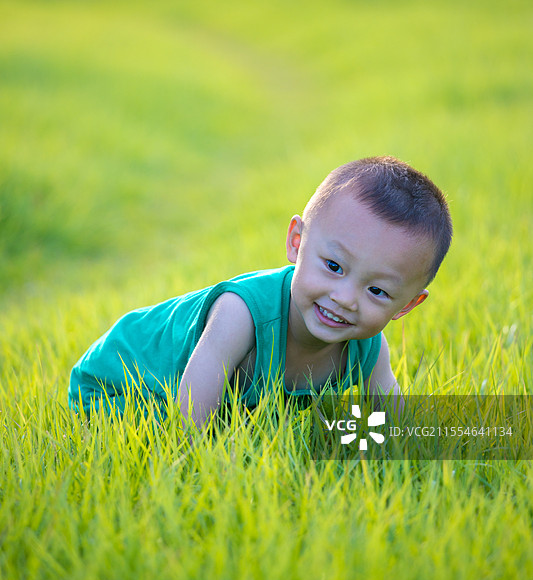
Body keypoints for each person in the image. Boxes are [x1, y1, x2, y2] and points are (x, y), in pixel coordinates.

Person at [68, 156, 452, 428]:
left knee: (239, 427)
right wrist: (207, 466)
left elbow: (394, 426)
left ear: (407, 305)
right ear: (296, 243)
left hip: (182, 395)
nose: (345, 298)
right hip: (120, 386)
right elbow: (188, 415)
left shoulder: (368, 350)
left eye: (377, 291)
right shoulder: (242, 312)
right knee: (167, 432)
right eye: (334, 267)